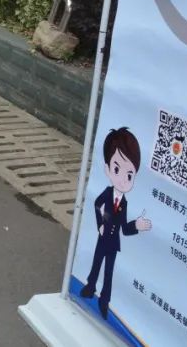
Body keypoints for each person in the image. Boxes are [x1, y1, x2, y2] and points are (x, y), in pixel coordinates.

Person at [79, 127, 152, 320]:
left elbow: (125, 229)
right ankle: (89, 287)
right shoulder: (106, 192)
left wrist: (136, 225)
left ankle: (104, 300)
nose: (122, 179)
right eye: (117, 169)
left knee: (109, 273)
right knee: (96, 264)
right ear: (107, 169)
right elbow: (96, 205)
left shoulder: (125, 203)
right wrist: (100, 224)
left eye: (129, 175)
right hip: (103, 238)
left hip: (114, 243)